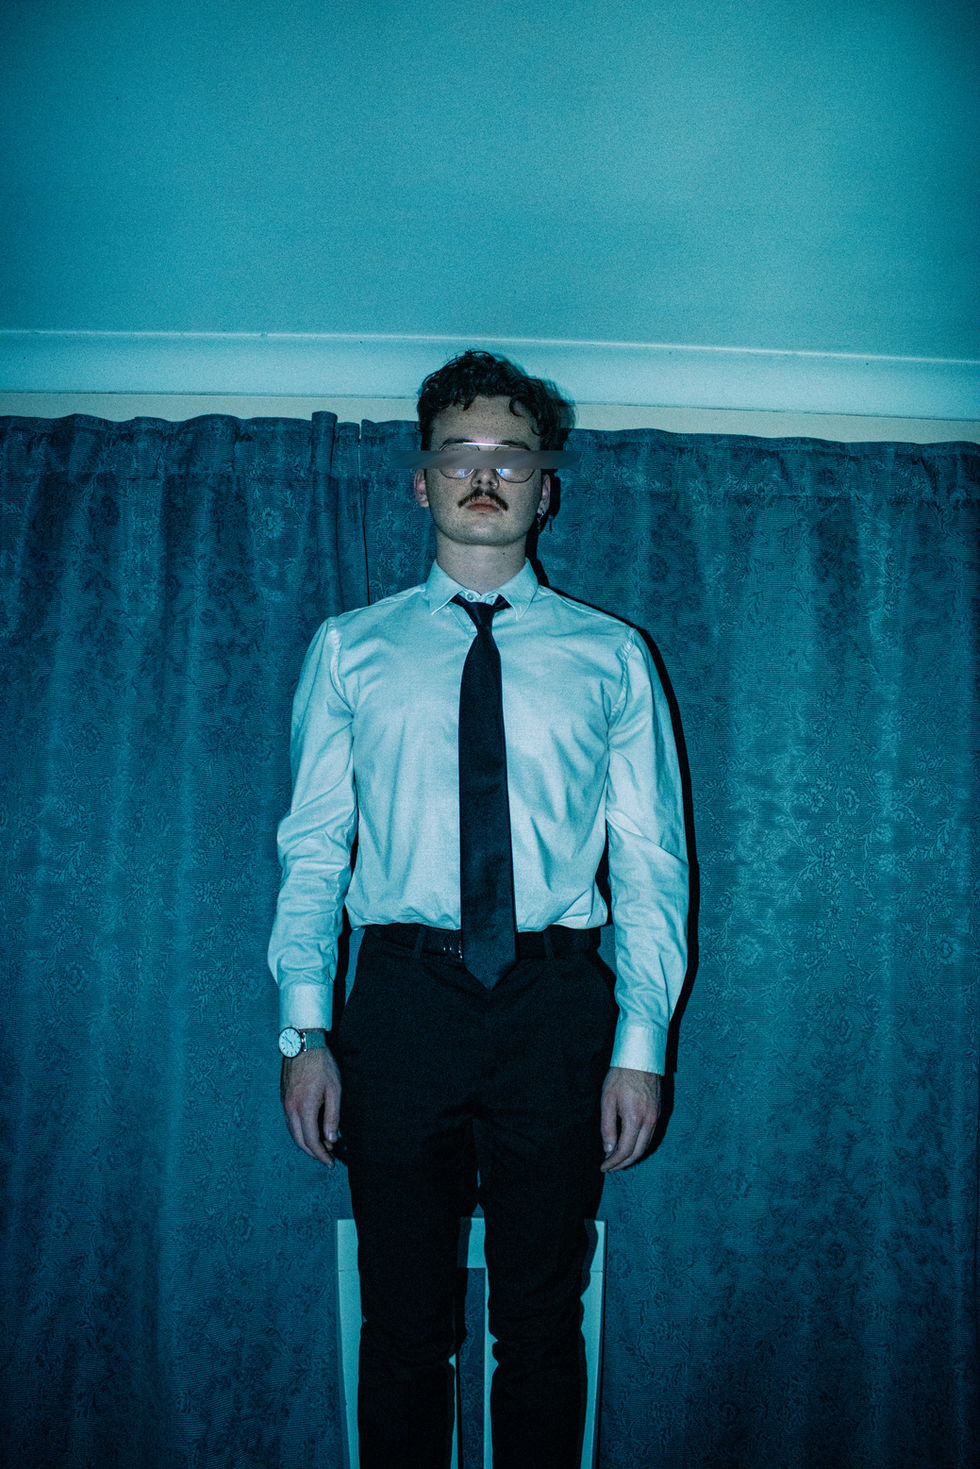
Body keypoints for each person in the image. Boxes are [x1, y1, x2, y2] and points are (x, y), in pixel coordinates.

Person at [268, 350, 689, 1468]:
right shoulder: (350, 649)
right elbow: (313, 850)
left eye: (512, 456)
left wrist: (639, 1048)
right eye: (460, 453)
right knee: (405, 1326)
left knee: (543, 1323)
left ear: (546, 487)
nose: (485, 474)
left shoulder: (612, 656)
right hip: (400, 1001)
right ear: (421, 480)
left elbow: (651, 863)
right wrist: (305, 1032)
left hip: (556, 1004)